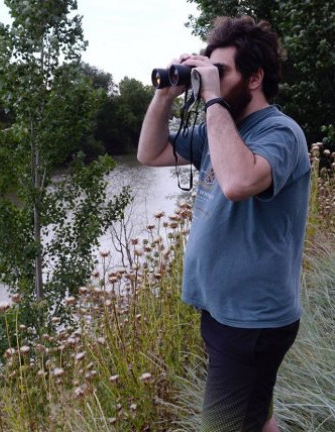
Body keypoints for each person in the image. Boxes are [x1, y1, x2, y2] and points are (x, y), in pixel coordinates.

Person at [137, 16, 311, 432]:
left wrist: (212, 99)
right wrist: (166, 95)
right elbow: (150, 153)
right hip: (224, 314)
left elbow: (236, 182)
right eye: (207, 70)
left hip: (253, 322)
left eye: (221, 72)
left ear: (254, 78)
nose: (208, 79)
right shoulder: (221, 129)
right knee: (257, 416)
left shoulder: (280, 132)